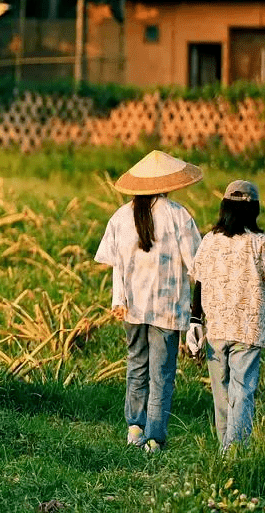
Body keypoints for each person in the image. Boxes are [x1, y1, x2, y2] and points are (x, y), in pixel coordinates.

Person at [95, 150, 203, 453]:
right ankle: (155, 438)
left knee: (136, 365)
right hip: (167, 309)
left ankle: (134, 427)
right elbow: (197, 266)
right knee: (162, 372)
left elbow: (115, 264)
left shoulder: (120, 217)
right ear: (168, 184)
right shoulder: (178, 215)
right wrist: (199, 314)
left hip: (131, 308)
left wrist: (119, 300)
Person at [186, 179, 265, 452]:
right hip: (248, 329)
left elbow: (198, 283)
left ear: (224, 208)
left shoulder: (210, 241)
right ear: (253, 209)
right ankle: (234, 453)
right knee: (242, 391)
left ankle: (226, 447)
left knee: (221, 394)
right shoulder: (261, 244)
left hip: (217, 329)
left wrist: (195, 320)